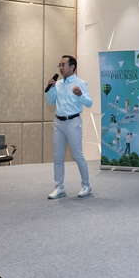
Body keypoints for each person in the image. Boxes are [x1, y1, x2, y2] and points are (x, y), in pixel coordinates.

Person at [46, 55, 93, 199]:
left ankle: (86, 186)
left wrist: (80, 95)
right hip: (58, 123)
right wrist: (51, 89)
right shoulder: (58, 84)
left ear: (72, 67)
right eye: (59, 65)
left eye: (63, 65)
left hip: (73, 122)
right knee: (58, 157)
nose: (60, 68)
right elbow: (50, 102)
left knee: (78, 155)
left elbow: (89, 103)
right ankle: (59, 188)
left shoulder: (80, 83)